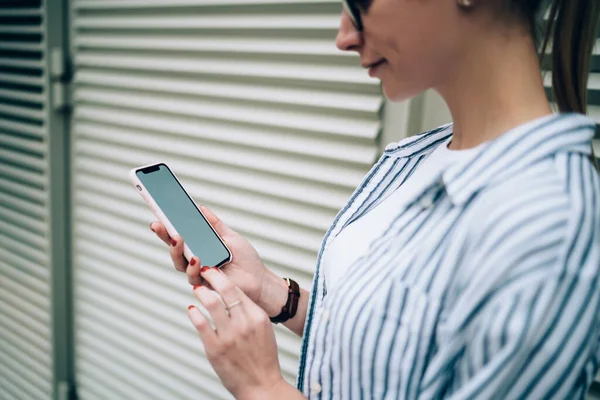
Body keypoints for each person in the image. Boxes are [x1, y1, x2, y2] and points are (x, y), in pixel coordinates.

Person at [150, 0, 600, 398]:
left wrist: (262, 388)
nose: (344, 36)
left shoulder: (548, 226)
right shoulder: (419, 157)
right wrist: (269, 290)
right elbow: (391, 356)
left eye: (360, 1)